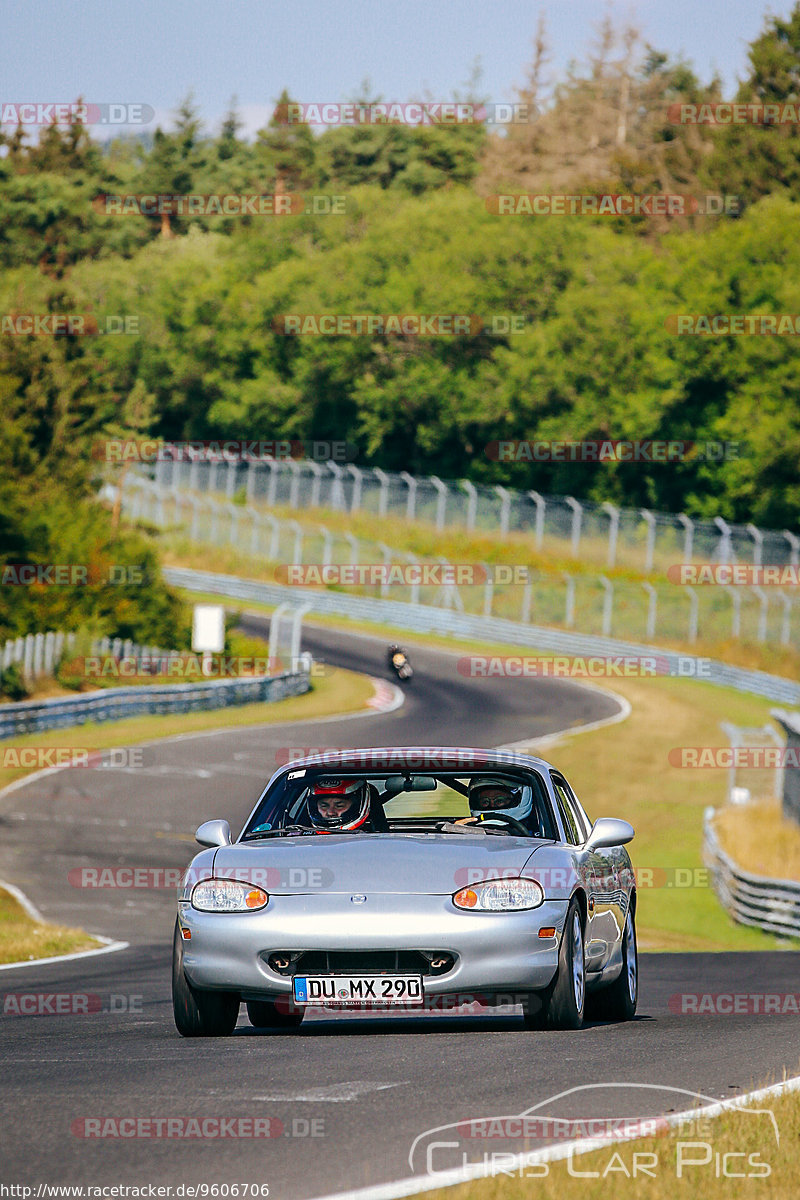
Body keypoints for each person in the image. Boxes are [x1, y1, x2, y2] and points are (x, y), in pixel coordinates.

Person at [461, 774, 540, 834]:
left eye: (499, 800)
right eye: (485, 801)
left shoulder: (539, 832)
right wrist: (458, 832)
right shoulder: (468, 830)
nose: (492, 805)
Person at [305, 777, 372, 832]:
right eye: (324, 806)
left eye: (339, 806)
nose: (330, 813)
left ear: (355, 806)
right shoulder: (301, 835)